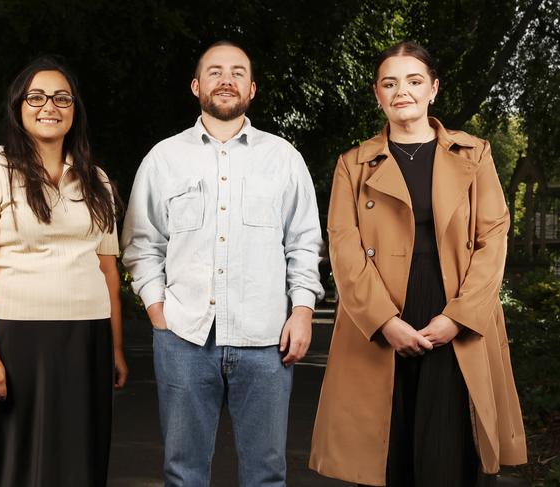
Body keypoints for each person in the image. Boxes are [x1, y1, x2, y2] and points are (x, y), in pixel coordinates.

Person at [309, 41, 527, 487]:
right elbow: (343, 248)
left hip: (453, 313)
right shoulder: (353, 165)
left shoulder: (474, 153)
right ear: (377, 94)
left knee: (449, 455)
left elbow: (494, 238)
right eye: (390, 83)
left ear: (434, 89)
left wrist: (459, 316)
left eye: (413, 81)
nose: (401, 91)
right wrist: (384, 321)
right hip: (381, 315)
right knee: (383, 455)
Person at [121, 40, 324, 487]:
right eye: (214, 71)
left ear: (251, 89)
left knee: (267, 473)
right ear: (196, 86)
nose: (226, 79)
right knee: (183, 472)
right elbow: (141, 243)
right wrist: (158, 312)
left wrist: (303, 311)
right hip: (183, 338)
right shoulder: (163, 159)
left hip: (267, 341)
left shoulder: (284, 159)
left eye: (237, 72)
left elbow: (305, 243)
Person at [0, 56, 128, 487]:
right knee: (20, 462)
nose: (49, 105)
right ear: (18, 107)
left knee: (83, 461)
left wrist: (116, 348)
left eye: (61, 97)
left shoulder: (96, 181)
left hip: (88, 335)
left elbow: (108, 270)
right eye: (36, 96)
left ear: (74, 111)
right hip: (18, 337)